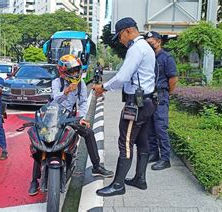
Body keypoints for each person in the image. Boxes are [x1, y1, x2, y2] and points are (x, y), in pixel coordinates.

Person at [28, 54, 114, 196]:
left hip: (69, 117)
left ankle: (97, 166)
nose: (75, 73)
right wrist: (66, 91)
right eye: (72, 71)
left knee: (89, 132)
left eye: (76, 70)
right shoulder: (57, 82)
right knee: (41, 142)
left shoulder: (81, 84)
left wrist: (82, 118)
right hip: (53, 116)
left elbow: (83, 102)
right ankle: (34, 181)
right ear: (63, 71)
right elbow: (55, 101)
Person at [93, 17, 157, 197]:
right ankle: (140, 179)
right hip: (148, 102)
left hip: (135, 105)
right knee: (142, 140)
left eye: (119, 36)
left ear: (128, 31)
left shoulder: (136, 49)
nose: (120, 41)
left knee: (126, 142)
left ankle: (118, 185)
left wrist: (103, 87)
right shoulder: (146, 47)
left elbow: (122, 77)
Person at [144, 31, 178, 170]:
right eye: (147, 44)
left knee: (161, 128)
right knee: (150, 126)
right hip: (150, 95)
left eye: (151, 43)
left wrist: (166, 93)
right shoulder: (148, 57)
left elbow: (173, 79)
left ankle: (165, 158)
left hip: (161, 95)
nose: (149, 46)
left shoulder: (166, 58)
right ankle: (154, 153)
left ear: (159, 42)